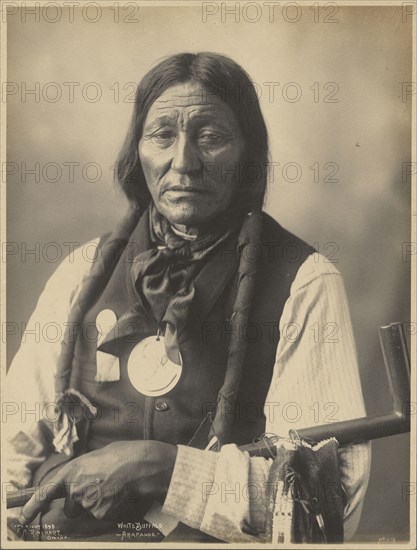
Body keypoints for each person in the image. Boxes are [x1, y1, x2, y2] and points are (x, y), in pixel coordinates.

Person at [6, 52, 371, 543]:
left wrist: (165, 470)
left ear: (248, 155)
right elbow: (10, 453)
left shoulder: (304, 283)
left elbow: (326, 509)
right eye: (163, 135)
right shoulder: (83, 273)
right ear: (138, 152)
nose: (184, 162)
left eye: (211, 136)